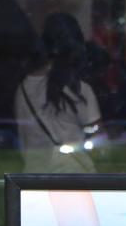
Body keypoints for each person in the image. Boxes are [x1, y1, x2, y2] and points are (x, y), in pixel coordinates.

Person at [12, 12, 103, 173]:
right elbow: (97, 141)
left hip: (33, 180)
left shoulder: (23, 88)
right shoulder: (79, 89)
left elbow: (23, 139)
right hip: (73, 177)